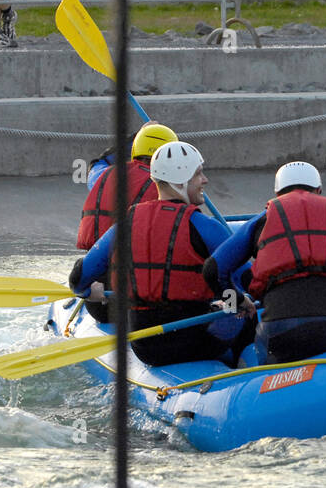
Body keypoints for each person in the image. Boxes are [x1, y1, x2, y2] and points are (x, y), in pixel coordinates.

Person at [69, 141, 255, 366]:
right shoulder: (205, 226)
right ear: (181, 181)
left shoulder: (126, 223)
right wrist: (240, 300)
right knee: (246, 315)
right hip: (195, 341)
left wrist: (91, 291)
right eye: (198, 175)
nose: (204, 180)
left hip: (144, 347)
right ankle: (249, 370)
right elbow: (252, 281)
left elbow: (78, 279)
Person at [204, 161, 326, 365]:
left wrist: (236, 301)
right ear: (318, 190)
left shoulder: (261, 221)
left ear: (277, 194)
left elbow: (213, 270)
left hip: (278, 334)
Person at [76, 122, 176, 322]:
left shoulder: (102, 176)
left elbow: (97, 163)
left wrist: (135, 136)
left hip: (99, 301)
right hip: (140, 305)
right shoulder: (169, 192)